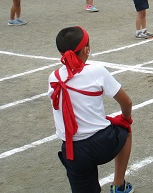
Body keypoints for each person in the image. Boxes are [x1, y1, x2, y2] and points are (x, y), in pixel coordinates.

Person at [48, 26, 133, 193]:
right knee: (125, 130)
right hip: (101, 142)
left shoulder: (54, 77)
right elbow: (126, 102)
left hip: (72, 151)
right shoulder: (96, 71)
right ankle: (119, 185)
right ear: (86, 49)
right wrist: (126, 118)